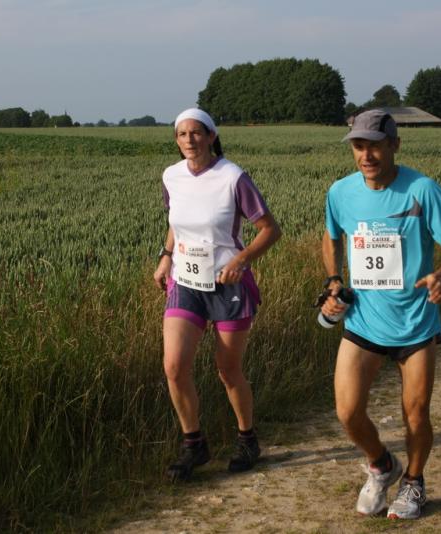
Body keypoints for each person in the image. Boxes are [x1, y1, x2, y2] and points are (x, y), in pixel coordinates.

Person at [321, 109, 441, 519]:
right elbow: (331, 236)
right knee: (347, 412)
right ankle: (381, 464)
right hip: (363, 321)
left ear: (395, 146)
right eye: (358, 146)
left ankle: (414, 482)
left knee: (416, 413)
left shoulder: (422, 190)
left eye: (375, 146)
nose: (366, 155)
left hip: (415, 323)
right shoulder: (340, 192)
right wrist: (334, 280)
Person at [153, 108, 281, 482]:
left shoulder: (233, 177)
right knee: (174, 366)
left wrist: (241, 260)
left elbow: (270, 230)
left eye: (196, 133)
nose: (189, 140)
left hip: (228, 284)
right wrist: (165, 256)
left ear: (211, 136)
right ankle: (193, 444)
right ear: (176, 140)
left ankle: (247, 439)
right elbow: (176, 222)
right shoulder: (171, 176)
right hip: (186, 282)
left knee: (227, 369)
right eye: (182, 134)